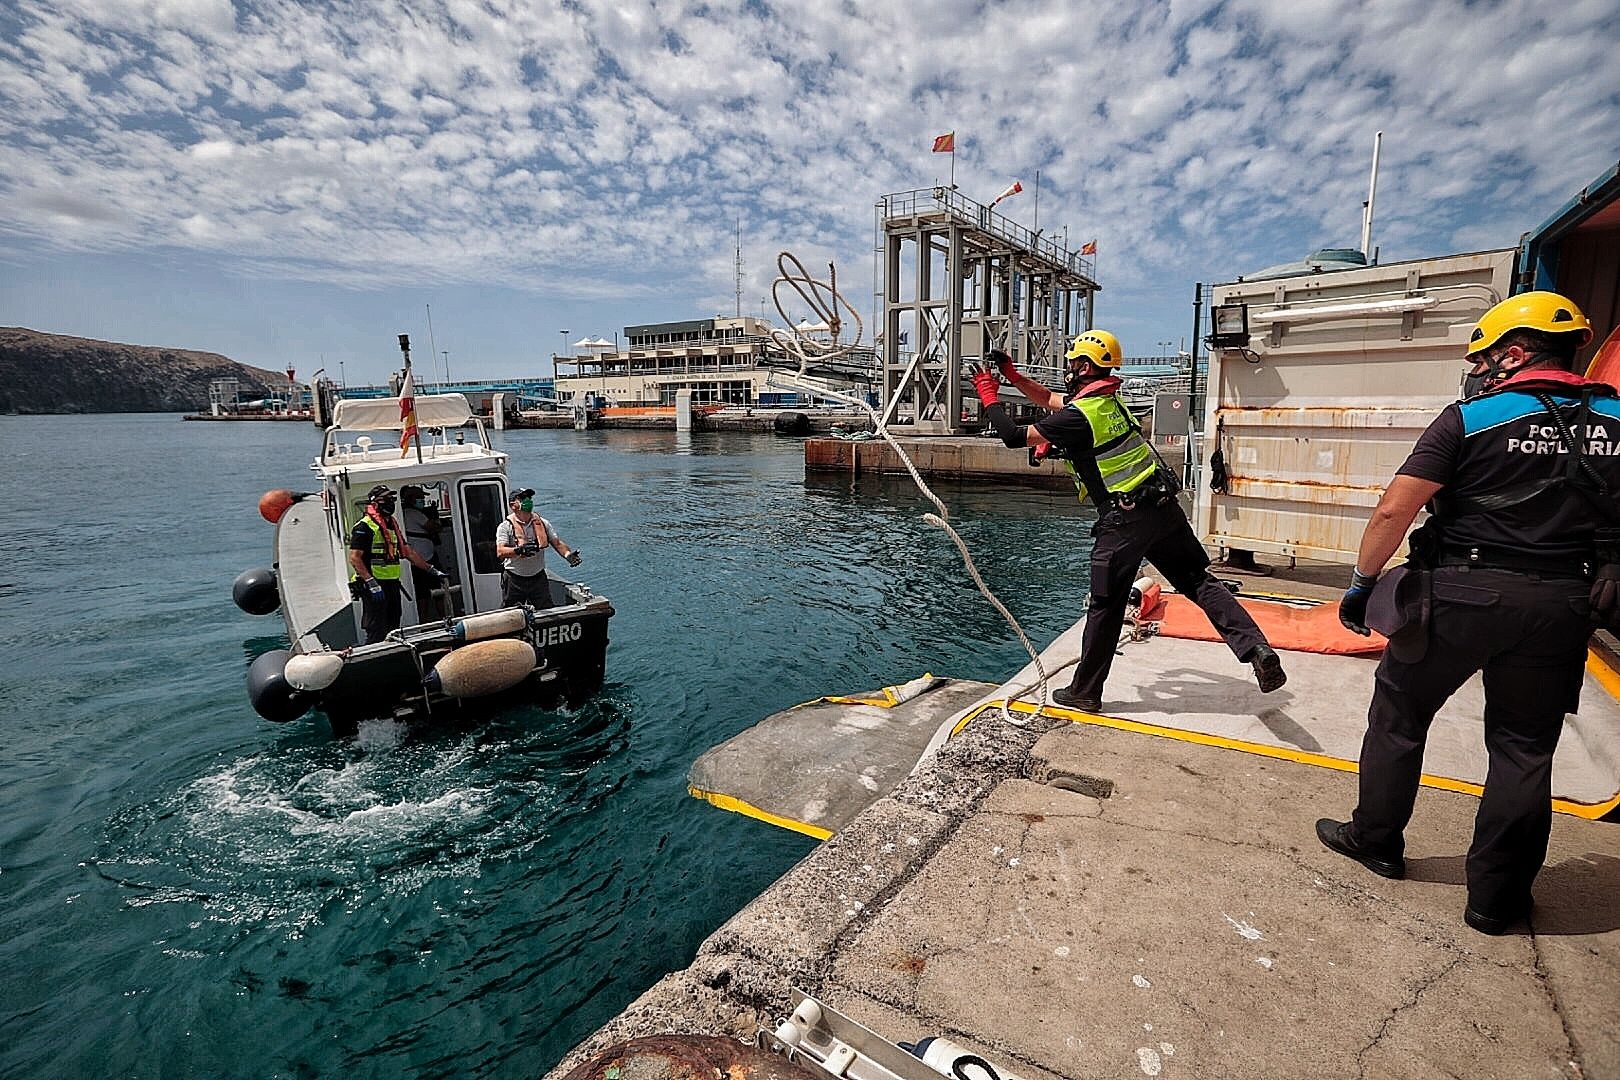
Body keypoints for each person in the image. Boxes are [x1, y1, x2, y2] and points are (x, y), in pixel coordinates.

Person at [1320, 291, 1607, 935]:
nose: (1480, 370)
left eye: (1485, 358)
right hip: (1564, 601)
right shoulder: (1617, 418)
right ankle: (1496, 900)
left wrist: (1364, 583)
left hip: (1459, 595)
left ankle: (1376, 840)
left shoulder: (1473, 417)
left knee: (1399, 717)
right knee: (1524, 748)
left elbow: (1396, 510)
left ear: (1513, 351)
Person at [973, 330, 1286, 711]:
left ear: (1085, 366)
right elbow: (1055, 403)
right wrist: (1015, 378)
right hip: (1163, 508)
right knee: (1198, 581)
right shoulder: (1110, 404)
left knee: (1106, 605)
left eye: (1073, 363)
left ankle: (1084, 692)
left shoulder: (1080, 415)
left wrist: (989, 393)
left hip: (1123, 520)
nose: (1068, 370)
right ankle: (1255, 647)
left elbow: (1011, 436)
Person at [349, 484, 448, 644]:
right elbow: (355, 558)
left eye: (392, 498)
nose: (390, 502)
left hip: (391, 583)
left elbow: (408, 552)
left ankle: (391, 652)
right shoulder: (364, 526)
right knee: (376, 627)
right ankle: (375, 656)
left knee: (393, 622)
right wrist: (370, 582)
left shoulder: (391, 526)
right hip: (374, 585)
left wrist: (431, 570)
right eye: (386, 499)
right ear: (375, 503)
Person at [494, 486, 581, 609]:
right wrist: (518, 550)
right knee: (512, 613)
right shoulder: (505, 527)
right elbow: (500, 551)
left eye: (529, 498)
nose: (528, 501)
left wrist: (568, 555)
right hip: (514, 579)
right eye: (523, 498)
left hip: (538, 578)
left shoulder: (543, 523)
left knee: (546, 609)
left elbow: (557, 543)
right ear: (513, 505)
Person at [401, 485, 447, 619]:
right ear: (411, 499)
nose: (422, 500)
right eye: (419, 498)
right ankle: (443, 618)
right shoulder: (414, 513)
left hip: (417, 558)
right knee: (435, 589)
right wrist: (435, 516)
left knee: (422, 593)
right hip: (426, 557)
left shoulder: (405, 513)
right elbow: (434, 528)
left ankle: (424, 622)